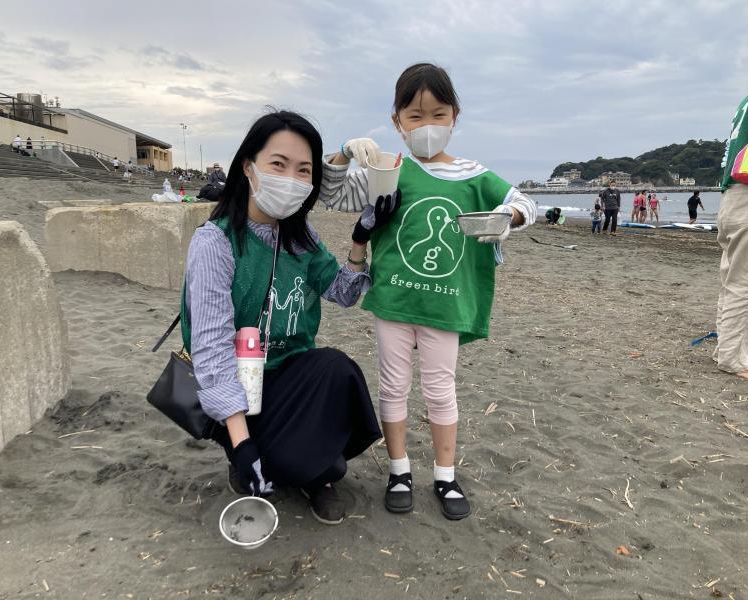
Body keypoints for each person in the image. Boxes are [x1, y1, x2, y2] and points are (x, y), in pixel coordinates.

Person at [320, 63, 536, 520]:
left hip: (446, 304)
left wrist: (508, 219)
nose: (427, 126)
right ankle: (399, 470)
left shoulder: (475, 175)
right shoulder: (388, 170)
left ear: (455, 116)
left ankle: (444, 474)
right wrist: (342, 154)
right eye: (414, 116)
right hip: (394, 300)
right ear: (397, 121)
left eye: (438, 114)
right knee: (394, 385)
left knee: (441, 389)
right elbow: (332, 196)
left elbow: (522, 202)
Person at [184, 110, 397, 524]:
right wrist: (241, 443)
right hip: (238, 386)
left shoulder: (301, 237)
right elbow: (210, 352)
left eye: (304, 171)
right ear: (248, 166)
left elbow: (343, 292)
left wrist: (361, 238)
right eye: (278, 165)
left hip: (290, 376)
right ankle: (256, 453)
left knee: (335, 368)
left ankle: (314, 472)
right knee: (275, 461)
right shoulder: (215, 242)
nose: (291, 179)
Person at [715, 88, 748, 381]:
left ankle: (727, 349)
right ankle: (734, 359)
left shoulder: (747, 99)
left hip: (732, 197)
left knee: (732, 280)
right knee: (745, 282)